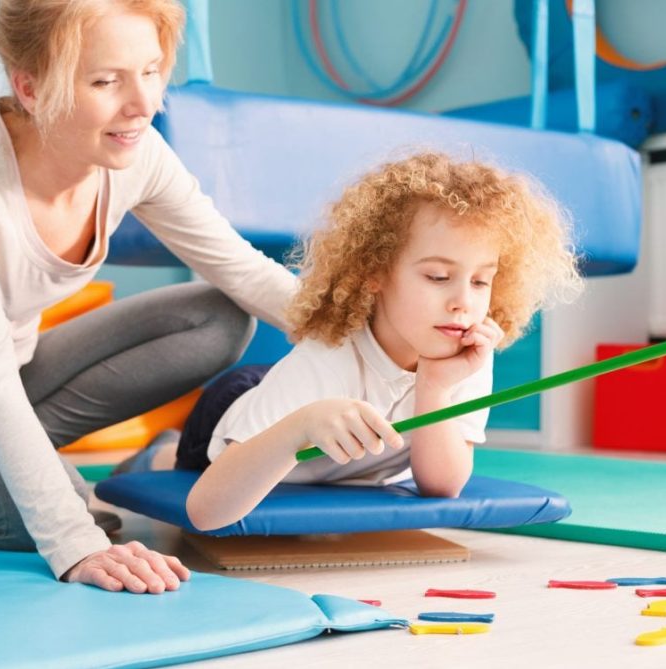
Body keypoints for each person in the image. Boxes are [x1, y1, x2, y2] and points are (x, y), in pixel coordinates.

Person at [0, 0, 296, 595]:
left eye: (151, 71)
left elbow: (247, 274)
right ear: (30, 87)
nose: (143, 104)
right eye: (106, 81)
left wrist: (384, 336)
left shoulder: (135, 152)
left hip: (20, 384)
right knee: (85, 518)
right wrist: (76, 545)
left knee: (217, 317)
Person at [121, 151, 583, 532]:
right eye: (439, 276)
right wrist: (301, 427)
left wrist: (436, 388)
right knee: (181, 464)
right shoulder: (326, 359)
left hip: (330, 441)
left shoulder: (466, 354)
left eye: (482, 281)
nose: (464, 302)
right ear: (375, 273)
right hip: (249, 412)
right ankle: (157, 451)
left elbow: (442, 487)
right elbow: (206, 510)